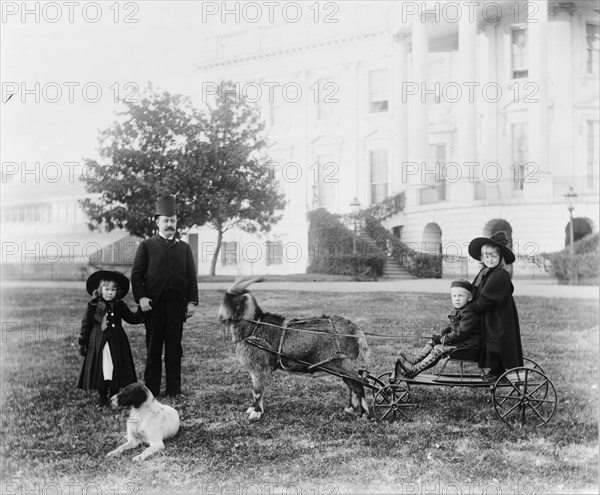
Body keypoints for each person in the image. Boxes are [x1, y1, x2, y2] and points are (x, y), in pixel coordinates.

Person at [131, 196, 198, 398]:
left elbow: (191, 277)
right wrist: (141, 298)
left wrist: (191, 301)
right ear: (157, 222)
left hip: (176, 307)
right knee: (153, 350)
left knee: (174, 350)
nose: (170, 224)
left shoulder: (184, 248)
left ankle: (174, 390)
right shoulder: (147, 246)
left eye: (173, 220)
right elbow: (136, 275)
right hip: (154, 306)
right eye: (166, 220)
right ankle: (151, 391)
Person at [77, 270, 144, 407]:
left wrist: (142, 310)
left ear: (117, 291)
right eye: (106, 289)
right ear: (100, 290)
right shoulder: (93, 306)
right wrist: (83, 342)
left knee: (115, 367)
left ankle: (114, 396)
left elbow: (132, 318)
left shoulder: (119, 305)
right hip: (99, 342)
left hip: (117, 342)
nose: (110, 292)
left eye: (113, 289)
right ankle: (102, 399)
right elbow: (86, 325)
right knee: (102, 368)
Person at [393, 279, 480, 379]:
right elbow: (455, 327)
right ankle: (415, 360)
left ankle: (414, 370)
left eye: (461, 296)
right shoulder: (461, 309)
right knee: (433, 341)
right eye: (454, 296)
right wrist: (443, 334)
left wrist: (444, 339)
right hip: (460, 343)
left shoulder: (469, 313)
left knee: (439, 349)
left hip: (468, 346)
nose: (457, 299)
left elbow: (461, 333)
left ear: (469, 297)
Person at [468, 231, 523, 381]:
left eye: (493, 256)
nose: (490, 259)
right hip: (490, 315)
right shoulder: (485, 272)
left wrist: (473, 308)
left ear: (500, 257)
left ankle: (498, 372)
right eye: (486, 256)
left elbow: (489, 299)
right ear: (482, 258)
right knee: (489, 341)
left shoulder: (499, 274)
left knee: (496, 342)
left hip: (498, 317)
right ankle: (495, 370)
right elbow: (476, 290)